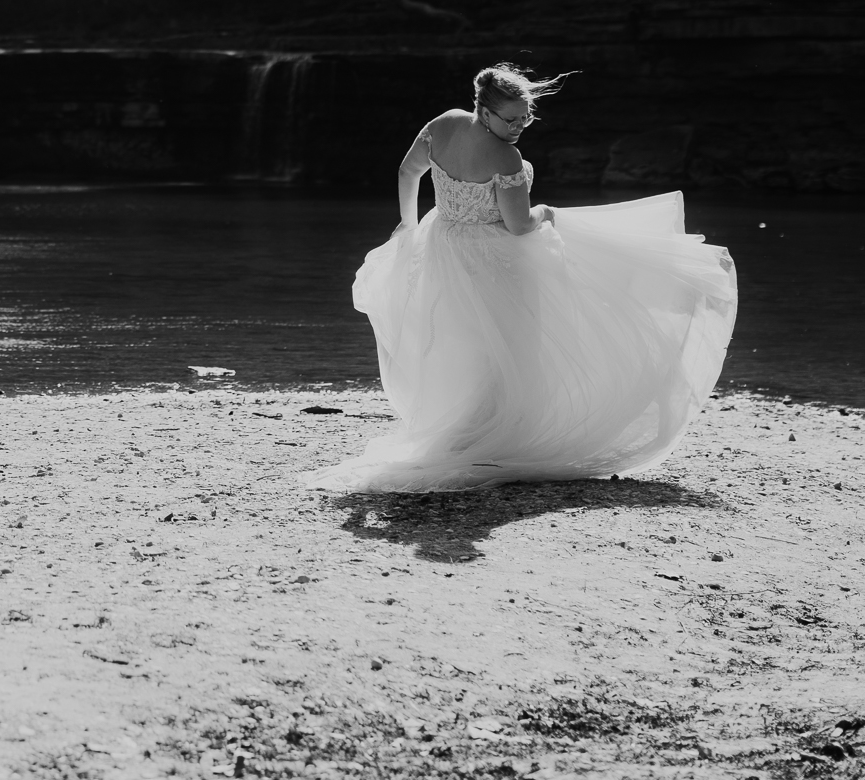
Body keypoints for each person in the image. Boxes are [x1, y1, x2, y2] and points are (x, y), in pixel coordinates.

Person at [306, 63, 738, 493]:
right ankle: (489, 438)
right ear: (485, 111)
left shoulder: (443, 125)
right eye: (511, 119)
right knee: (508, 349)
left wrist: (408, 226)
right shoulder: (503, 156)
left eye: (525, 118)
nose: (518, 127)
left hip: (443, 249)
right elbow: (518, 226)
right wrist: (546, 212)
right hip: (496, 260)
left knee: (464, 345)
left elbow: (408, 172)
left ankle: (464, 434)